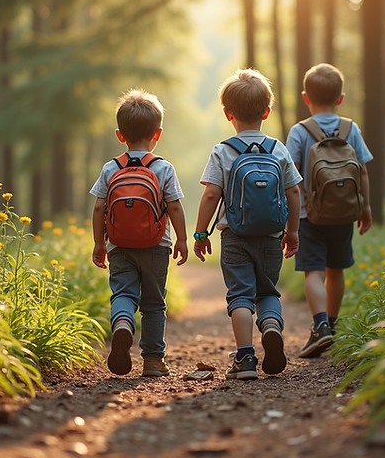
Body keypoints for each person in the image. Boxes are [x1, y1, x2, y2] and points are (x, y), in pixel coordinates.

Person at [193, 69, 302, 380]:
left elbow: (211, 194)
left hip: (235, 237)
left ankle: (246, 359)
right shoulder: (278, 149)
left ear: (228, 114)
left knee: (240, 295)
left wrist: (201, 234)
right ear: (267, 112)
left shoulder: (223, 150)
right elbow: (293, 191)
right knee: (268, 292)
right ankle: (270, 326)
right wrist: (292, 230)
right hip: (270, 237)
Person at [90, 89, 188, 377]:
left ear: (120, 135)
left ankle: (122, 323)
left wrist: (99, 243)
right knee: (154, 303)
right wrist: (182, 239)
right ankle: (154, 361)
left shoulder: (111, 168)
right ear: (157, 134)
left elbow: (99, 209)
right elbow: (175, 208)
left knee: (123, 293)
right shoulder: (163, 168)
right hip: (157, 245)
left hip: (119, 245)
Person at [285, 63, 373, 358]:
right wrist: (366, 207)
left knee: (313, 270)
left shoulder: (299, 131)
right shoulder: (351, 128)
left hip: (310, 215)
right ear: (340, 98)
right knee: (336, 270)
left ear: (305, 97)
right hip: (344, 212)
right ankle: (331, 327)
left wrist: (291, 217)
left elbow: (291, 177)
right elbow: (361, 172)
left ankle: (320, 326)